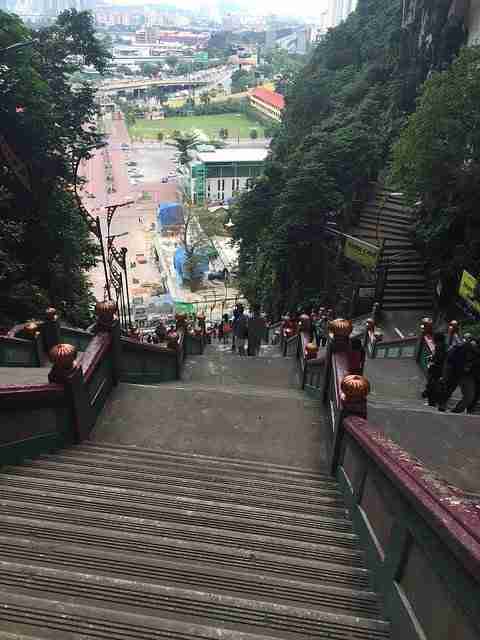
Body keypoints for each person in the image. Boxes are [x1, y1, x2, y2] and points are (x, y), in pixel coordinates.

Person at [422, 331, 447, 407]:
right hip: (441, 370)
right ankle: (433, 401)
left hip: (436, 370)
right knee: (434, 385)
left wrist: (432, 360)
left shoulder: (439, 347)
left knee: (432, 385)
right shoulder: (444, 346)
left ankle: (431, 402)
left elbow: (438, 358)